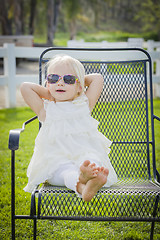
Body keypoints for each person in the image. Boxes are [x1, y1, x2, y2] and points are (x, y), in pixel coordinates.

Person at [21, 54, 117, 202]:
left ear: (80, 86)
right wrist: (50, 92)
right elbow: (25, 87)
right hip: (56, 162)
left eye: (68, 79)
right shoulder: (45, 110)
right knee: (65, 173)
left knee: (92, 162)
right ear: (48, 83)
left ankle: (88, 178)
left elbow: (97, 78)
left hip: (83, 157)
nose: (60, 83)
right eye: (53, 78)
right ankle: (82, 187)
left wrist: (77, 85)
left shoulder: (84, 104)